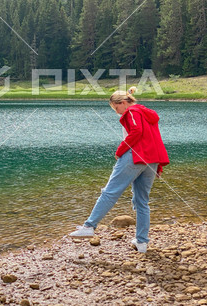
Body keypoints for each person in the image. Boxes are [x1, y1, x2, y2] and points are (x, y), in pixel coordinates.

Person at [70, 87, 169, 252]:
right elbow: (154, 138)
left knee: (110, 192)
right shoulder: (147, 113)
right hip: (151, 160)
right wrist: (157, 165)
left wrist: (120, 151)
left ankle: (89, 226)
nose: (118, 113)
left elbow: (137, 131)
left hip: (135, 156)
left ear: (123, 103)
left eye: (116, 109)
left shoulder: (131, 111)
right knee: (142, 201)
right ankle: (142, 242)